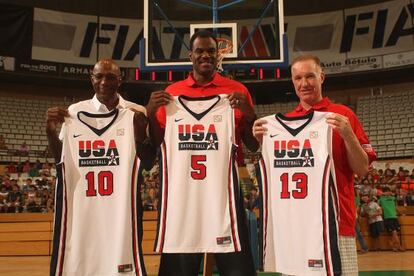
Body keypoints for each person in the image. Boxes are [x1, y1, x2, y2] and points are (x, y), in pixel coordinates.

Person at [146, 30, 259, 276]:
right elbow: (159, 145)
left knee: (236, 266)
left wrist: (250, 113)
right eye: (200, 51)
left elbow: (253, 144)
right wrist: (151, 114)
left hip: (225, 189)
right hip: (183, 192)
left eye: (211, 51)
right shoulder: (171, 94)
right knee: (180, 265)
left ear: (219, 55)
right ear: (191, 55)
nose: (205, 55)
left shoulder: (236, 91)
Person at [253, 55, 376, 275]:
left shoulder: (343, 115)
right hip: (294, 224)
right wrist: (265, 142)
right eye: (298, 77)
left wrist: (349, 136)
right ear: (292, 81)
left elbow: (362, 168)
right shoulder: (281, 124)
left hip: (337, 223)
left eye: (310, 76)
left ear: (322, 77)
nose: (304, 83)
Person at [46, 59, 152, 276]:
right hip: (86, 208)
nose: (104, 82)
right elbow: (61, 163)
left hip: (124, 209)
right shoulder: (74, 112)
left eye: (111, 77)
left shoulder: (136, 113)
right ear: (91, 79)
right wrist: (50, 132)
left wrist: (141, 138)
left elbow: (147, 162)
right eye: (99, 76)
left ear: (120, 81)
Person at [379, 186, 405, 252]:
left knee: (395, 233)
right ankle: (399, 246)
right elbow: (377, 199)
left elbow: (395, 207)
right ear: (384, 192)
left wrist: (400, 213)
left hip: (395, 217)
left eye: (389, 191)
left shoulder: (393, 198)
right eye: (386, 191)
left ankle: (393, 245)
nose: (388, 192)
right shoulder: (381, 199)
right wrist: (383, 194)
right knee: (394, 232)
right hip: (387, 218)